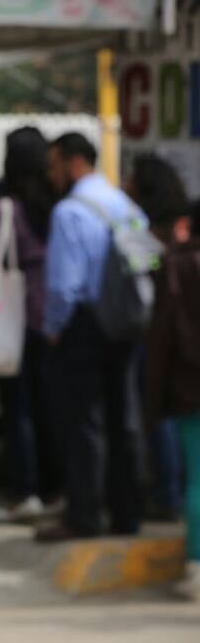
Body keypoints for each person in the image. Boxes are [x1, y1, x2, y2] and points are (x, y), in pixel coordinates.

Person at [37, 132, 145, 542]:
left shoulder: (69, 212)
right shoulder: (125, 205)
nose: (51, 175)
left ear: (73, 162)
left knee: (83, 425)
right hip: (126, 323)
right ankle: (126, 515)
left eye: (54, 165)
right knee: (124, 421)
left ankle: (84, 515)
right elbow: (146, 260)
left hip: (83, 325)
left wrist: (52, 330)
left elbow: (64, 286)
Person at [0, 127, 60, 522]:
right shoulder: (57, 206)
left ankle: (24, 490)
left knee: (18, 406)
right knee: (47, 404)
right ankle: (52, 485)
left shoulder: (2, 210)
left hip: (13, 317)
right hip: (53, 318)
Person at [139, 155, 200, 599]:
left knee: (196, 480)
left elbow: (162, 337)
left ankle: (197, 566)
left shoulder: (175, 265)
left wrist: (152, 395)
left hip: (188, 388)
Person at [128, 153, 192, 523]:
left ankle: (168, 492)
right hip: (180, 334)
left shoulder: (141, 233)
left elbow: (141, 271)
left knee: (159, 414)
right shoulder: (179, 227)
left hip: (154, 332)